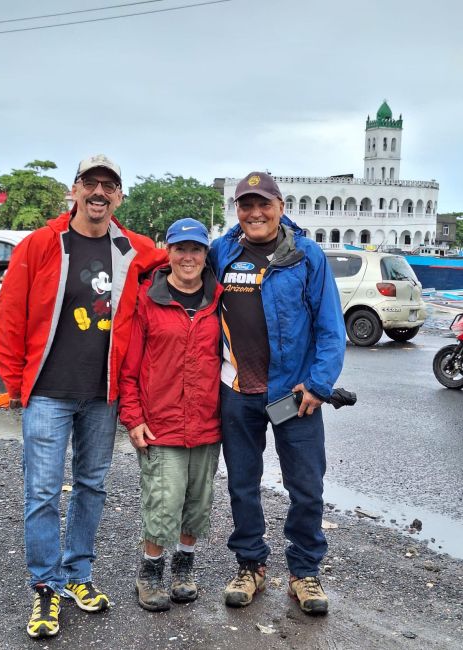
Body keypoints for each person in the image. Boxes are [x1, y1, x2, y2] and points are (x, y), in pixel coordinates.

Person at [0, 154, 167, 638]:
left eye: (108, 186)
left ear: (119, 197)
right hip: (47, 393)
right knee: (43, 492)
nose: (99, 192)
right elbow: (10, 315)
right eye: (90, 183)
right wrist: (13, 386)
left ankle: (78, 575)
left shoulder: (131, 248)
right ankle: (45, 587)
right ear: (73, 190)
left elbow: (180, 257)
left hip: (101, 395)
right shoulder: (41, 244)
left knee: (92, 487)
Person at [208, 172, 345, 615]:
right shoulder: (222, 252)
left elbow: (330, 329)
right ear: (238, 212)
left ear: (281, 207)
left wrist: (320, 385)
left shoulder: (306, 256)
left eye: (263, 204)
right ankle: (251, 566)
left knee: (306, 487)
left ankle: (304, 572)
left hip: (296, 394)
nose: (255, 213)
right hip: (238, 390)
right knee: (243, 485)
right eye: (246, 205)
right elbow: (181, 275)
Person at [118, 218, 222, 612]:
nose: (188, 257)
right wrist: (133, 418)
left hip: (208, 424)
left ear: (205, 254)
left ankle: (183, 568)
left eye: (196, 249)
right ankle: (149, 573)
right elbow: (129, 368)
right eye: (181, 249)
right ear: (169, 252)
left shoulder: (219, 300)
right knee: (163, 502)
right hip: (160, 424)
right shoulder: (148, 300)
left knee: (197, 503)